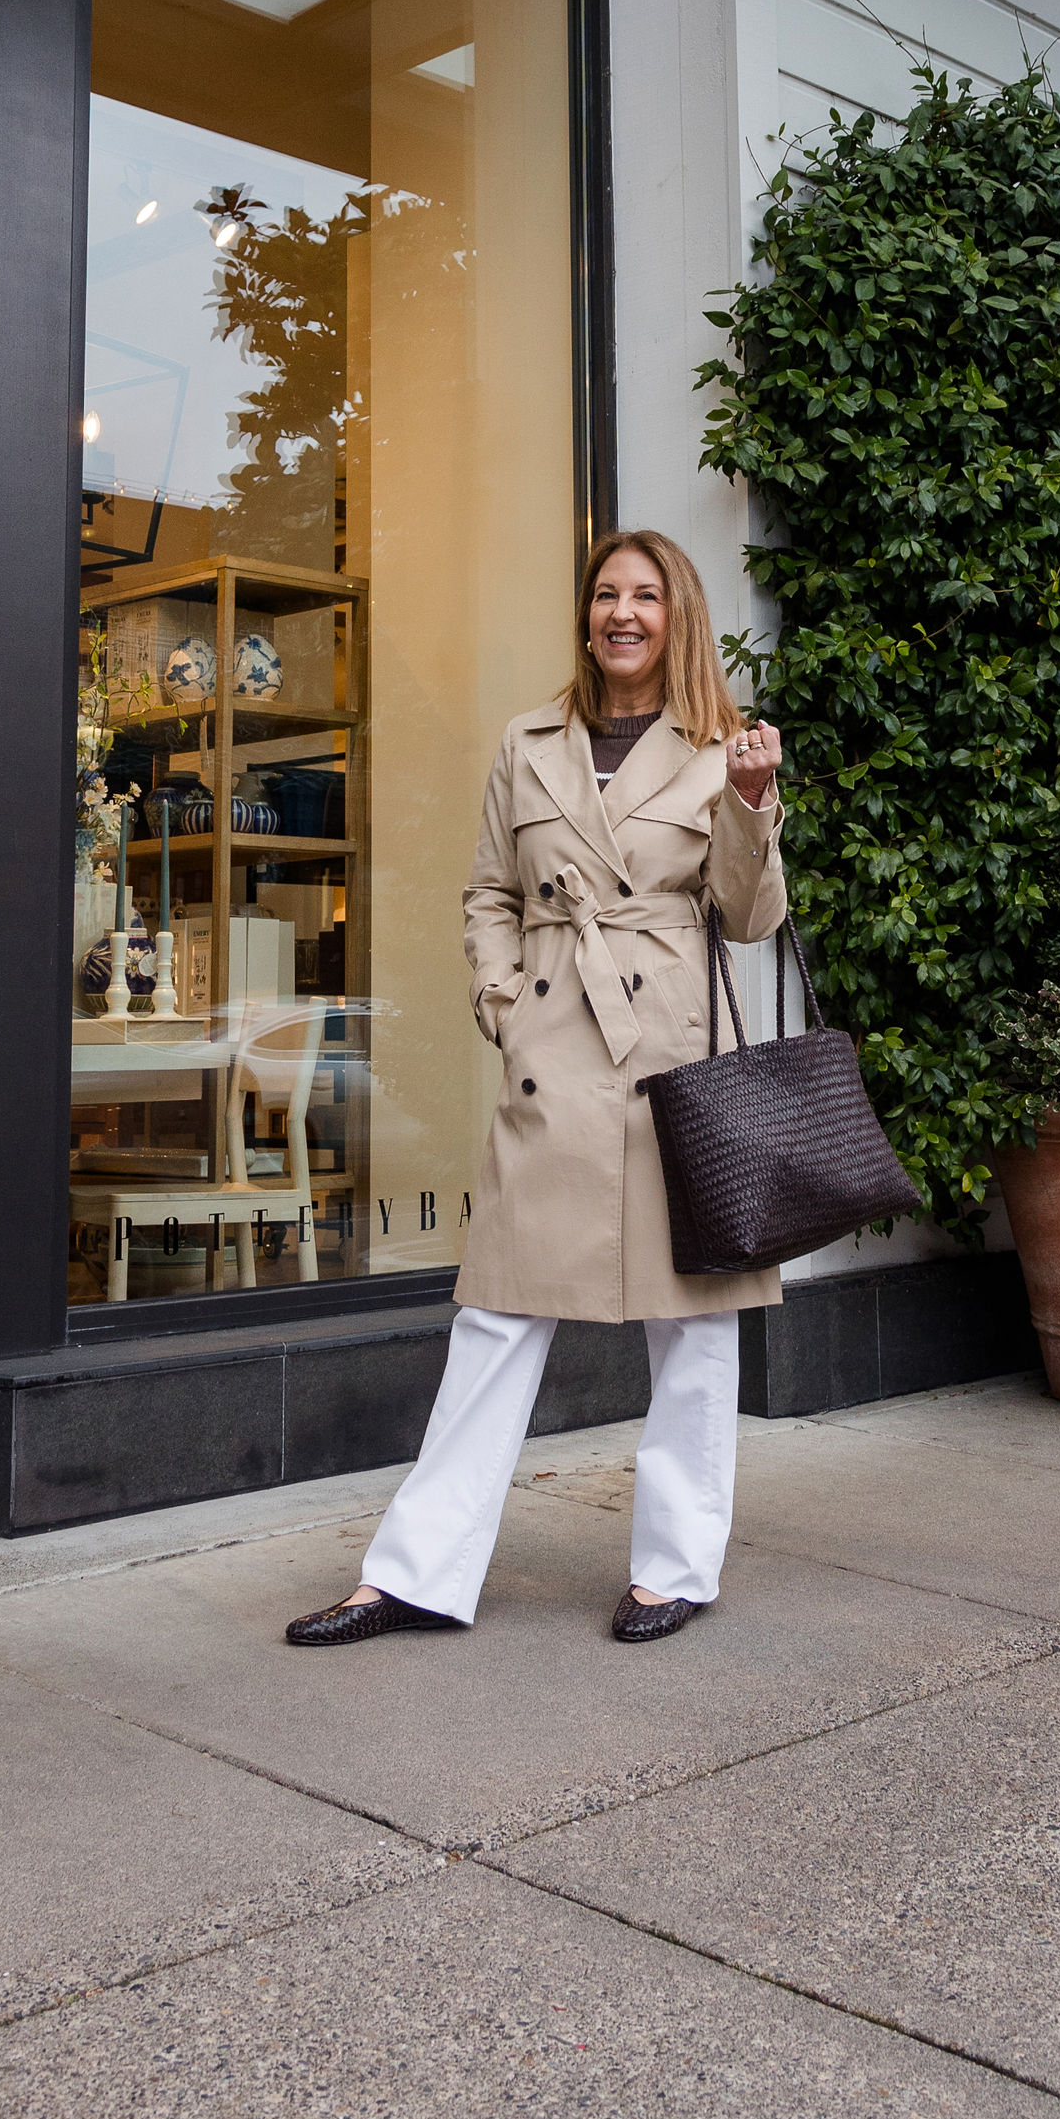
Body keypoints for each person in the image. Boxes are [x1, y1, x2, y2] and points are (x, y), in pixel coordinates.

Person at [288, 529, 784, 1650]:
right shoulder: (530, 739)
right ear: (586, 615)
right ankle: (414, 1574)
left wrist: (753, 804)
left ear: (678, 615)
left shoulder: (724, 747)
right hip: (553, 1047)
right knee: (497, 1315)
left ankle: (676, 1569)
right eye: (606, 593)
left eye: (645, 595)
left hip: (671, 1056)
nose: (622, 612)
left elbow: (750, 918)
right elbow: (489, 892)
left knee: (694, 1323)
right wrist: (504, 1001)